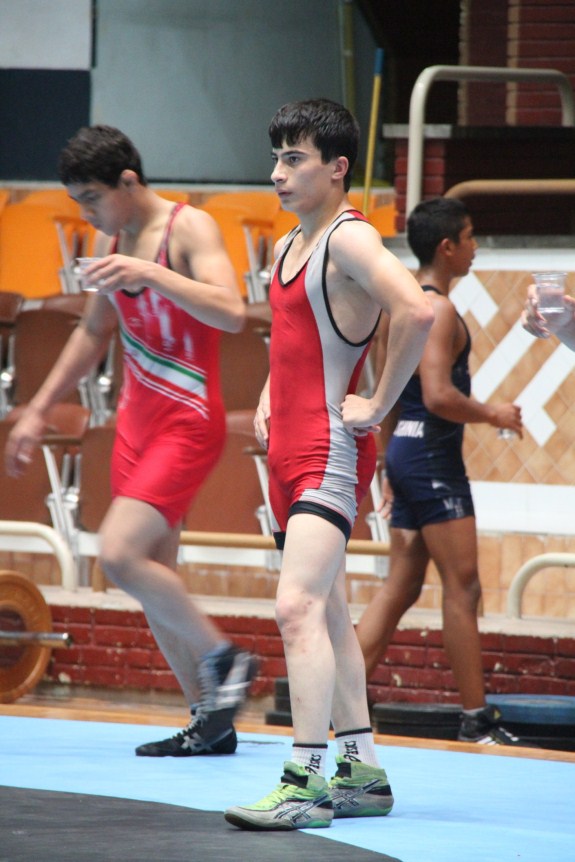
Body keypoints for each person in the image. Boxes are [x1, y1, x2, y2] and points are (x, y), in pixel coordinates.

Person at [4, 125, 257, 757]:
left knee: (117, 555)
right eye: (78, 202)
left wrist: (149, 271)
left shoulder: (189, 229)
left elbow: (232, 311)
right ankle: (210, 721)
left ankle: (224, 657)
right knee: (152, 579)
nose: (87, 214)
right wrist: (36, 411)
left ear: (128, 182)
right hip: (134, 427)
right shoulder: (109, 239)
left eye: (92, 199)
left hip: (187, 421)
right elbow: (93, 332)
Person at [224, 99, 434, 831]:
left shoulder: (349, 239)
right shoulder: (294, 242)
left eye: (294, 159)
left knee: (296, 608)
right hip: (288, 448)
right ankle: (362, 771)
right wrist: (267, 391)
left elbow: (417, 310)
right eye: (276, 158)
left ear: (338, 167)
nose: (276, 174)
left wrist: (377, 402)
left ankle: (305, 781)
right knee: (330, 612)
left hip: (327, 451)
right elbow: (296, 336)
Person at [355, 196, 529, 746]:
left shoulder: (396, 306)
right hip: (432, 457)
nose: (476, 247)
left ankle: (335, 700)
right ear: (447, 247)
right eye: (471, 237)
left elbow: (385, 396)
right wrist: (494, 413)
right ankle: (476, 719)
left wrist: (389, 464)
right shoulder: (438, 309)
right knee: (463, 585)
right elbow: (436, 395)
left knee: (402, 585)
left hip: (407, 454)